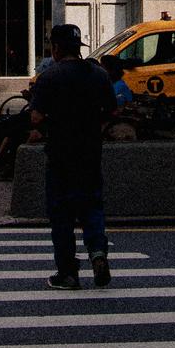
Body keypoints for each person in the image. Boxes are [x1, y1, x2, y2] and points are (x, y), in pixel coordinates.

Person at [30, 22, 116, 291]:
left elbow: (36, 117)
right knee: (92, 205)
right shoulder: (99, 75)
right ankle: (98, 253)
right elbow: (112, 111)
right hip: (90, 152)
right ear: (78, 48)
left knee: (62, 215)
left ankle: (68, 272)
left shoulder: (49, 78)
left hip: (60, 154)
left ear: (55, 48)